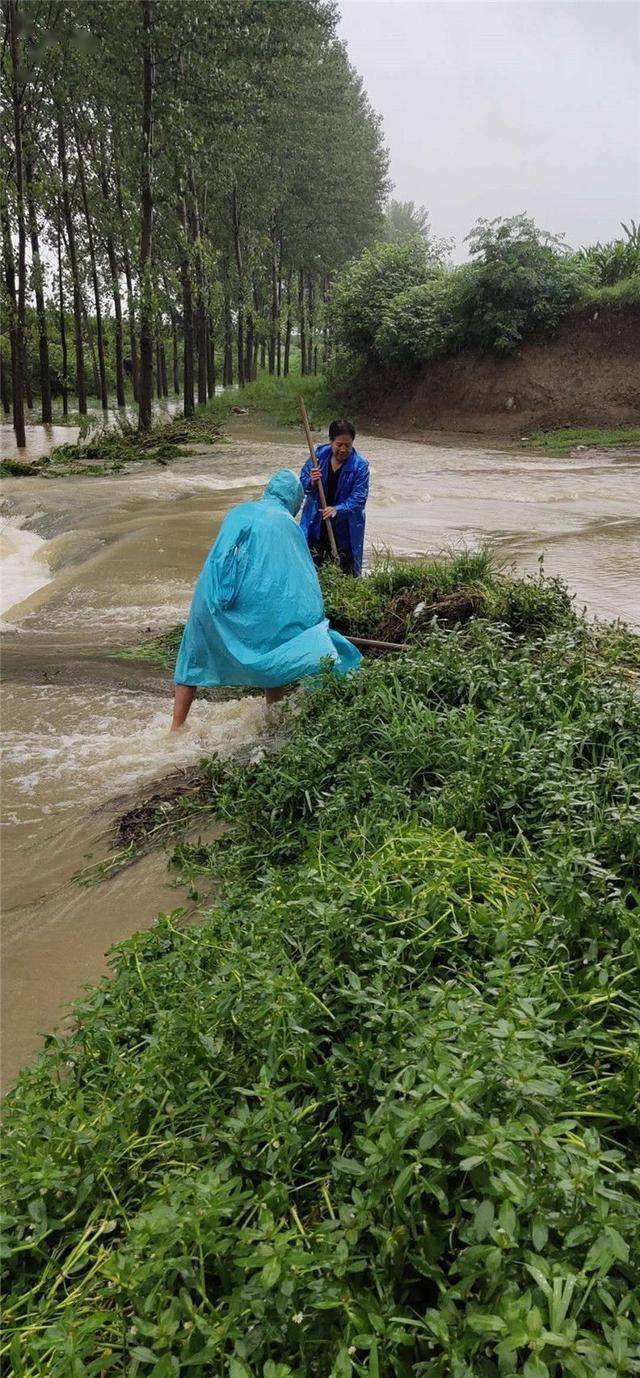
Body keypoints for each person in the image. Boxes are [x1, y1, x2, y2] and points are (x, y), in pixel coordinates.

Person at [170, 469, 361, 730]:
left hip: (210, 598)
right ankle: (272, 720)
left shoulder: (239, 511)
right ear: (293, 500)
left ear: (270, 489)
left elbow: (221, 556)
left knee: (192, 657)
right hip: (252, 607)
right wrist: (314, 619)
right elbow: (300, 579)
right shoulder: (287, 525)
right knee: (277, 649)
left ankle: (175, 727)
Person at [299, 420, 369, 576]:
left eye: (347, 445)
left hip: (345, 529)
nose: (343, 449)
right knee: (312, 568)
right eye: (339, 445)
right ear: (331, 441)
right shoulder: (318, 456)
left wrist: (337, 509)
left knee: (345, 572)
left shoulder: (360, 466)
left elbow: (359, 498)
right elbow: (301, 484)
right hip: (316, 523)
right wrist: (311, 481)